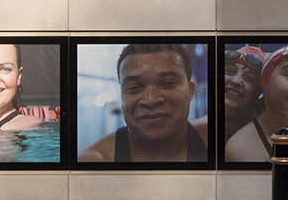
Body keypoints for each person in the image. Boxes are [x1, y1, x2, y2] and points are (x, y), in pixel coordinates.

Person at [78, 43, 206, 163]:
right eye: (134, 88)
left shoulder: (215, 138)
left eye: (167, 83)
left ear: (190, 90)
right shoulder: (94, 161)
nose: (150, 100)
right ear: (121, 95)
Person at [218, 44, 266, 145]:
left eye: (249, 78)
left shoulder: (265, 133)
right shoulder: (200, 128)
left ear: (259, 92)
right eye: (230, 71)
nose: (236, 81)